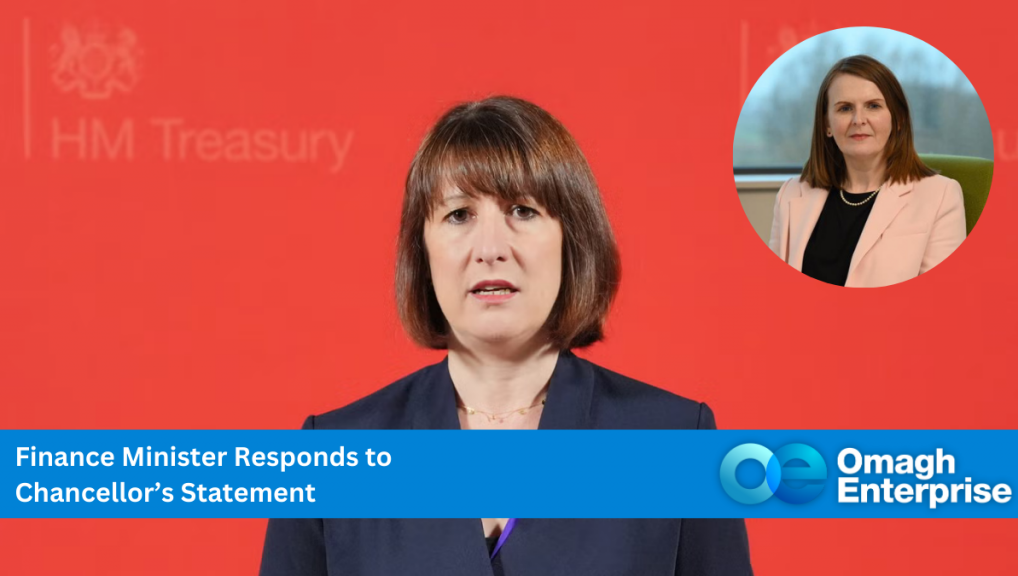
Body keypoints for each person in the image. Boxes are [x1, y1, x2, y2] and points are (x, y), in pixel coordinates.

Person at [259, 96, 753, 575]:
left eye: (522, 210)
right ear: (422, 252)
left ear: (572, 239)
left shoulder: (677, 441)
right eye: (459, 215)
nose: (491, 248)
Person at [769, 55, 967, 288]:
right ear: (827, 125)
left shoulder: (941, 196)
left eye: (873, 106)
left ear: (899, 119)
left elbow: (936, 302)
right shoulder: (790, 194)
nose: (858, 119)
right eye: (845, 108)